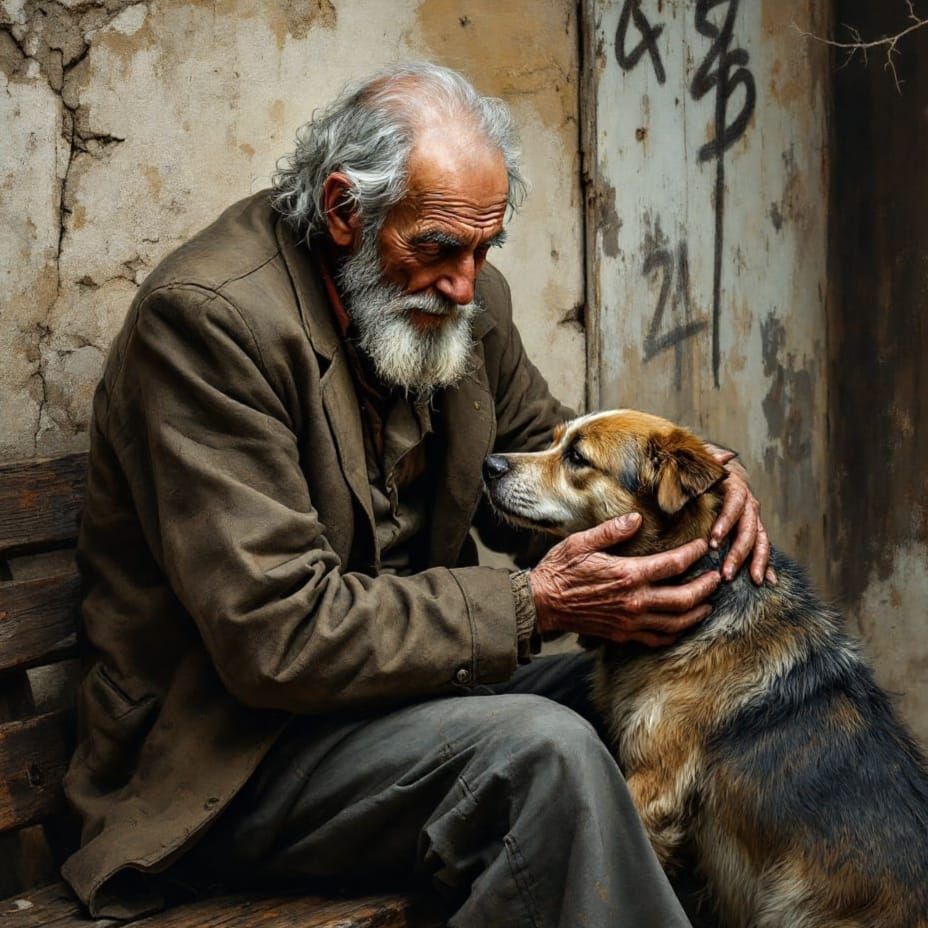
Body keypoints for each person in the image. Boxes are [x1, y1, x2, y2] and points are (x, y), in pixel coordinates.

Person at [61, 62, 771, 926]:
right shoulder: (211, 322)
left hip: (408, 704)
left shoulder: (456, 299)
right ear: (343, 211)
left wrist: (701, 492)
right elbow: (276, 635)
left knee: (681, 709)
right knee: (546, 754)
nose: (466, 283)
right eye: (435, 248)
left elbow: (550, 473)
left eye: (485, 248)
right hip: (229, 760)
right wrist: (531, 604)